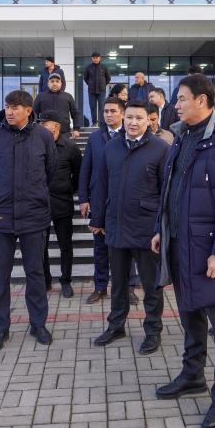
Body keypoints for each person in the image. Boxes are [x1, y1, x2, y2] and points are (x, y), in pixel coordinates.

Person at [152, 74, 215, 428]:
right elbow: (169, 192)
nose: (175, 105)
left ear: (202, 101)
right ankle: (193, 375)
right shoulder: (181, 139)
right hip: (181, 245)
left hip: (212, 251)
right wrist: (161, 230)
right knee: (190, 313)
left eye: (181, 98)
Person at [90, 100, 168, 355]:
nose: (133, 123)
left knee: (151, 285)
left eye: (139, 118)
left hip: (147, 230)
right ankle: (116, 326)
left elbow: (166, 193)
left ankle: (153, 330)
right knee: (119, 283)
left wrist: (161, 228)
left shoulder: (160, 148)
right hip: (116, 226)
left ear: (150, 120)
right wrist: (98, 219)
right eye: (130, 117)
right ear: (123, 119)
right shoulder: (112, 146)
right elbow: (101, 184)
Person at [0, 90, 57, 352]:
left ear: (28, 110)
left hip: (34, 216)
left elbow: (49, 172)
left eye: (15, 107)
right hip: (0, 216)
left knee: (35, 273)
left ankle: (38, 324)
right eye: (7, 106)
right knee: (0, 276)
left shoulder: (43, 136)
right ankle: (0, 329)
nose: (10, 111)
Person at [78, 97, 141, 305]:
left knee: (127, 248)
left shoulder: (130, 136)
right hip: (98, 201)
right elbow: (86, 169)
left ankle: (129, 288)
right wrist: (84, 198)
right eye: (105, 111)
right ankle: (100, 286)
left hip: (123, 201)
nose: (108, 115)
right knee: (100, 248)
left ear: (122, 114)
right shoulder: (95, 138)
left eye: (113, 111)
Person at [39, 109, 82, 298]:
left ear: (56, 127)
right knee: (41, 246)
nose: (41, 128)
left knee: (65, 245)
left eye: (44, 125)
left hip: (62, 203)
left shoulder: (70, 147)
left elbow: (79, 174)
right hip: (40, 204)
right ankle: (45, 281)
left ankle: (66, 281)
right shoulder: (36, 145)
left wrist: (68, 189)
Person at [34, 73, 81, 139]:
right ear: (48, 83)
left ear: (61, 83)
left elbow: (75, 114)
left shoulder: (68, 96)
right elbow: (34, 113)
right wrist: (35, 127)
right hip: (45, 132)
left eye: (57, 81)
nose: (55, 83)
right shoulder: (40, 96)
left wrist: (76, 129)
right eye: (52, 81)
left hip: (64, 133)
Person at [84, 52, 111, 126]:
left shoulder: (104, 67)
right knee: (92, 107)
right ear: (92, 59)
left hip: (101, 91)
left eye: (97, 58)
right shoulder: (88, 67)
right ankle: (94, 122)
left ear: (100, 58)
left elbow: (108, 78)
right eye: (94, 58)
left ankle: (101, 122)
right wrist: (90, 84)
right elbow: (85, 78)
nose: (95, 59)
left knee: (102, 107)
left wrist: (103, 84)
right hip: (91, 91)